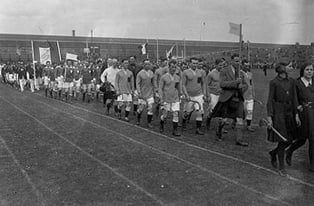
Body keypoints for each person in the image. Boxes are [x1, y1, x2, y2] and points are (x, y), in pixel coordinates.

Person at [267, 62, 300, 176]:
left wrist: (296, 114)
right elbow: (270, 100)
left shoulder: (292, 81)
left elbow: (295, 98)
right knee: (283, 140)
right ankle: (281, 167)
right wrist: (270, 116)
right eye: (289, 66)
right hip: (279, 113)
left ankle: (273, 153)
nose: (292, 68)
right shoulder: (274, 82)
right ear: (282, 68)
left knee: (290, 140)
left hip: (289, 113)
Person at [211, 54, 249, 146]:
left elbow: (246, 85)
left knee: (240, 119)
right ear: (231, 61)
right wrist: (235, 83)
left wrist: (241, 87)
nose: (238, 63)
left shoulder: (241, 73)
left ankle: (239, 140)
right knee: (224, 120)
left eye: (239, 61)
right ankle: (219, 132)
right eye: (236, 61)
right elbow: (222, 84)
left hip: (238, 98)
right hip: (227, 98)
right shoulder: (224, 71)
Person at [286, 63, 314, 172]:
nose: (310, 72)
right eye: (307, 69)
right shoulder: (297, 83)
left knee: (311, 138)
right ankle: (289, 151)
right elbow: (294, 99)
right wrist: (296, 113)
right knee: (303, 138)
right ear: (303, 71)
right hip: (304, 113)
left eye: (311, 69)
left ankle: (312, 164)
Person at [181, 58, 206, 135]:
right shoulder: (185, 72)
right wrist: (186, 95)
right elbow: (183, 85)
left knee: (199, 111)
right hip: (189, 96)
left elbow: (203, 83)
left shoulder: (201, 72)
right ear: (190, 64)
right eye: (194, 63)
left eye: (196, 63)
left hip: (199, 95)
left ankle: (198, 129)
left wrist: (204, 94)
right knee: (187, 112)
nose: (195, 65)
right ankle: (184, 122)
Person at [159, 59, 182, 136]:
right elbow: (160, 88)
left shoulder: (177, 77)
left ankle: (175, 130)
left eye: (175, 67)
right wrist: (161, 98)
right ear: (169, 67)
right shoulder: (163, 77)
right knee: (165, 115)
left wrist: (180, 95)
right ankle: (161, 124)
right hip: (166, 99)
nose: (174, 69)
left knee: (176, 114)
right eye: (172, 67)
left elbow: (178, 87)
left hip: (175, 98)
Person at [205, 58, 224, 130]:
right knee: (213, 110)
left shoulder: (224, 73)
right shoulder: (211, 74)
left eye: (222, 65)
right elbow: (206, 84)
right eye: (220, 65)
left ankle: (220, 128)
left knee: (222, 111)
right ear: (216, 65)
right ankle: (208, 121)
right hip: (213, 94)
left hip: (221, 94)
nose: (221, 67)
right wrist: (208, 95)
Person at [136, 59, 155, 128]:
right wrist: (139, 92)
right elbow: (137, 84)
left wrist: (155, 90)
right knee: (141, 109)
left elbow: (153, 82)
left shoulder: (151, 73)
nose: (148, 65)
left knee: (150, 108)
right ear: (143, 65)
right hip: (142, 94)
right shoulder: (140, 73)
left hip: (150, 94)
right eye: (146, 64)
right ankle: (138, 119)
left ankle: (149, 123)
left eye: (149, 64)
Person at [242, 59, 255, 132]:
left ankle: (248, 125)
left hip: (250, 96)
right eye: (245, 65)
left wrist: (253, 93)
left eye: (248, 66)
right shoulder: (240, 73)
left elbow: (252, 84)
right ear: (242, 65)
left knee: (250, 111)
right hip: (243, 95)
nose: (247, 67)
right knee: (242, 111)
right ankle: (235, 122)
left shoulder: (250, 74)